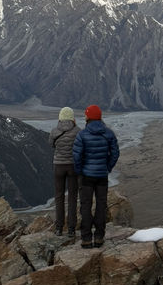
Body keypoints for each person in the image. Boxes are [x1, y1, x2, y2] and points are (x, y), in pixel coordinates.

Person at [73, 104, 120, 248]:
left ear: (88, 117)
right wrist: (107, 167)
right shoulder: (108, 133)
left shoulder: (82, 135)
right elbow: (115, 153)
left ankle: (86, 238)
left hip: (86, 176)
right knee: (101, 205)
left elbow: (76, 156)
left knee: (86, 205)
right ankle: (99, 237)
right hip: (102, 176)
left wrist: (80, 170)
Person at [49, 106, 80, 238]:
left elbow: (51, 145)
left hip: (58, 167)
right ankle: (72, 229)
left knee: (59, 197)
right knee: (72, 197)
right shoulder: (78, 131)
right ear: (72, 118)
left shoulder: (54, 131)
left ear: (60, 118)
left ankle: (59, 228)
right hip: (73, 167)